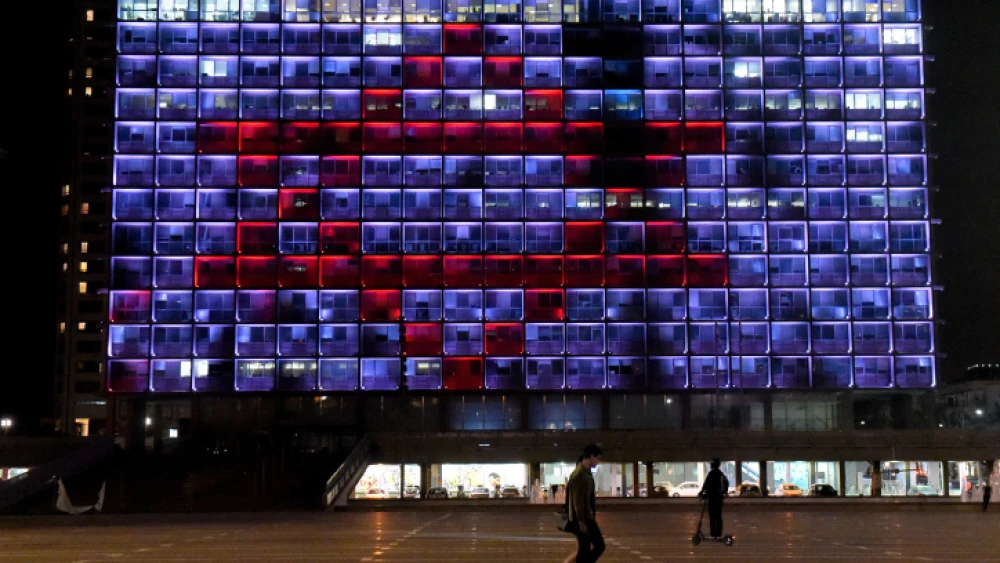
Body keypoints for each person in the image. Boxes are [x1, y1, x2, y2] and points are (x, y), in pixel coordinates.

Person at [567, 445, 605, 563]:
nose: (598, 462)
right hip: (583, 518)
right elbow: (578, 500)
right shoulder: (580, 474)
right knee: (599, 546)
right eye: (597, 459)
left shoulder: (585, 473)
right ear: (591, 456)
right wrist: (581, 521)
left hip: (585, 517)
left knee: (585, 548)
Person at [699, 457, 729, 540]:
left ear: (712, 464)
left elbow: (706, 485)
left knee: (712, 516)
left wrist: (702, 493)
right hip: (719, 498)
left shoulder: (711, 474)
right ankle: (718, 534)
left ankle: (713, 533)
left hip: (712, 498)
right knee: (718, 516)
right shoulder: (721, 474)